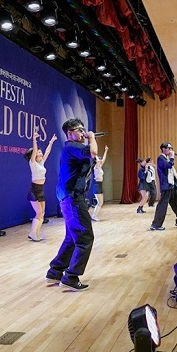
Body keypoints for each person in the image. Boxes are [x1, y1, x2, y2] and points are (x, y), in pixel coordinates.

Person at [46, 118, 97, 291]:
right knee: (85, 237)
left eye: (84, 129)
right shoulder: (71, 147)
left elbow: (91, 160)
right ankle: (71, 277)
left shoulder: (74, 149)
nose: (83, 132)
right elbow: (93, 152)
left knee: (71, 237)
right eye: (79, 130)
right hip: (73, 197)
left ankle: (55, 271)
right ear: (69, 133)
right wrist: (91, 138)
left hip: (69, 196)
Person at [24, 128, 57, 241]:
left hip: (41, 190)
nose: (40, 152)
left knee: (42, 213)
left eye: (40, 151)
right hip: (34, 190)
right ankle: (33, 233)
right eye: (38, 151)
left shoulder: (41, 163)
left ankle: (36, 233)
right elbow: (34, 150)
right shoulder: (32, 163)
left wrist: (51, 142)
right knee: (38, 213)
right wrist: (34, 139)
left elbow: (47, 151)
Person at [150, 142, 177, 230]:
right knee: (163, 206)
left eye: (171, 148)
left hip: (173, 186)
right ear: (163, 149)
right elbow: (168, 166)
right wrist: (172, 157)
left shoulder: (166, 158)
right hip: (166, 186)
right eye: (169, 148)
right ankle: (156, 225)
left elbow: (172, 172)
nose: (171, 150)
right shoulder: (160, 158)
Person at [90, 145, 109, 221]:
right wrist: (95, 153)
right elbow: (97, 159)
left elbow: (103, 159)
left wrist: (106, 150)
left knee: (101, 203)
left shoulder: (99, 167)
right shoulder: (96, 168)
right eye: (98, 160)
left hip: (100, 185)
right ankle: (93, 216)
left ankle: (94, 216)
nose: (100, 161)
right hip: (97, 185)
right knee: (99, 203)